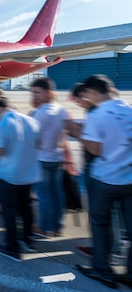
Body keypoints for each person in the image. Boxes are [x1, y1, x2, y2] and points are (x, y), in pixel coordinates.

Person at [75, 74, 132, 289]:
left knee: (100, 224)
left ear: (93, 92)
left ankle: (103, 270)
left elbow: (95, 149)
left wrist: (79, 135)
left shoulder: (97, 115)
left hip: (105, 179)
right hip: (128, 178)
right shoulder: (128, 109)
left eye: (87, 93)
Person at [0, 95, 41, 261]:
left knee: (9, 212)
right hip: (28, 173)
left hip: (8, 174)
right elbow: (39, 143)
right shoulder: (30, 120)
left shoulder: (1, 124)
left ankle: (12, 247)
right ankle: (28, 239)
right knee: (26, 208)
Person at [29, 77, 69, 238]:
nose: (34, 96)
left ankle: (44, 227)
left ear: (49, 93)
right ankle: (58, 227)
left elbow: (34, 140)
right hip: (57, 157)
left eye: (37, 93)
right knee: (57, 194)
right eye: (33, 93)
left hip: (42, 158)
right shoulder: (62, 110)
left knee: (44, 195)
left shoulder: (40, 113)